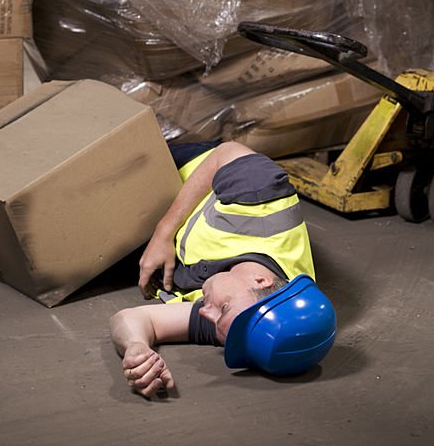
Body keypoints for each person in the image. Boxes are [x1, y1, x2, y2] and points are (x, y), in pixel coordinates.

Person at [109, 141, 336, 397]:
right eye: (223, 308)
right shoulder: (261, 198)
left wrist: (137, 347)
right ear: (262, 281)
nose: (206, 313)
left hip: (140, 230)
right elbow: (226, 153)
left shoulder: (238, 322)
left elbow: (133, 318)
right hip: (175, 171)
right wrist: (163, 232)